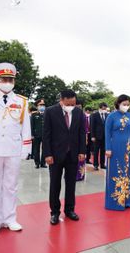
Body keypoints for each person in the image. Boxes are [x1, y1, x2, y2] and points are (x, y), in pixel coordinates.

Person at [0, 62, 32, 232]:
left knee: (11, 185)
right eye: (4, 79)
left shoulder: (22, 102)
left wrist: (26, 148)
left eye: (10, 79)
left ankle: (10, 218)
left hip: (13, 149)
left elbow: (26, 126)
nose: (7, 82)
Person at [43, 89, 86, 225]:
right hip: (55, 155)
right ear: (61, 100)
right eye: (68, 104)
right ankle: (55, 212)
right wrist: (47, 154)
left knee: (71, 184)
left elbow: (81, 133)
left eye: (73, 104)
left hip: (73, 154)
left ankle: (69, 210)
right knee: (55, 184)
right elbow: (46, 134)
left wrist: (82, 151)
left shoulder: (79, 112)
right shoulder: (50, 111)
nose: (71, 106)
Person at [105, 95, 130, 210]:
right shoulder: (111, 117)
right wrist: (108, 148)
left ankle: (127, 201)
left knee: (128, 173)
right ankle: (116, 202)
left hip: (128, 149)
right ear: (118, 104)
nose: (126, 106)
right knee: (116, 172)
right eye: (124, 104)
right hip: (115, 148)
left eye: (128, 104)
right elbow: (107, 134)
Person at [91, 102, 108, 170]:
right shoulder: (94, 115)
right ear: (100, 108)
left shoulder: (107, 115)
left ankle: (102, 164)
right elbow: (92, 126)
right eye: (103, 108)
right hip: (96, 136)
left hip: (104, 136)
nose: (104, 109)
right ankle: (95, 164)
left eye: (105, 108)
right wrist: (92, 136)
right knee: (96, 151)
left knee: (103, 151)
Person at [31, 99, 47, 168]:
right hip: (36, 135)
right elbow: (32, 125)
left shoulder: (47, 114)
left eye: (43, 105)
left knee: (45, 149)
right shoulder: (34, 115)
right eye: (41, 105)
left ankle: (43, 163)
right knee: (36, 149)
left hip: (45, 135)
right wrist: (32, 134)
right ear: (37, 106)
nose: (42, 106)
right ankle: (37, 163)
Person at [76, 100, 86, 181]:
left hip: (81, 139)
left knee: (81, 158)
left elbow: (84, 130)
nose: (79, 108)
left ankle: (80, 175)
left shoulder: (82, 115)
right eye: (77, 106)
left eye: (80, 107)